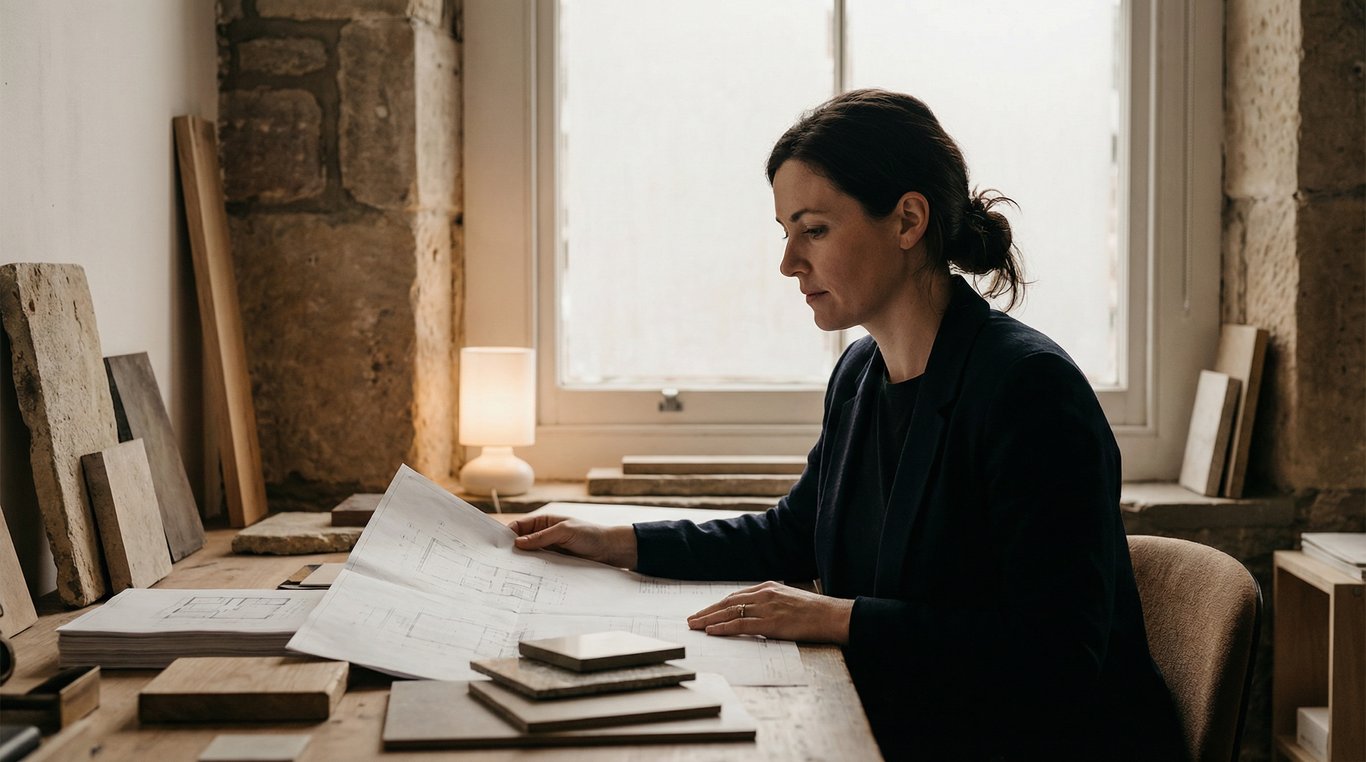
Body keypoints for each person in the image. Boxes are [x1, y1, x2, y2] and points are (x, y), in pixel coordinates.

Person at [510, 89, 1184, 760]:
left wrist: (839, 618)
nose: (788, 263)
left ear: (908, 219)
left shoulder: (1030, 391)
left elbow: (1055, 658)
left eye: (815, 229)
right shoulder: (860, 373)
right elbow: (793, 532)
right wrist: (617, 542)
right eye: (785, 232)